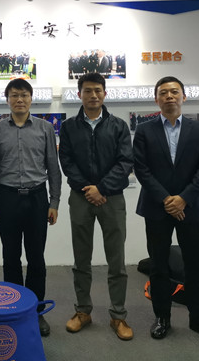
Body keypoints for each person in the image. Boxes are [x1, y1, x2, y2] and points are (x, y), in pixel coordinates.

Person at [133, 76, 199, 344]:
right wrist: (167, 199)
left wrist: (183, 199)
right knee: (159, 266)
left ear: (184, 97)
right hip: (156, 207)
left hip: (191, 207)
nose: (169, 96)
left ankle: (198, 318)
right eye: (163, 93)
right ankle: (162, 317)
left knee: (195, 265)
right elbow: (141, 169)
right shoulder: (144, 130)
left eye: (174, 92)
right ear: (156, 100)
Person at [58, 73, 134, 340]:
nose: (93, 95)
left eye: (98, 90)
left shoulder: (119, 126)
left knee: (117, 260)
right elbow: (66, 161)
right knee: (81, 258)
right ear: (79, 94)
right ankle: (83, 311)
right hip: (81, 198)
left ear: (105, 93)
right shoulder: (69, 127)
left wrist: (102, 188)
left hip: (112, 198)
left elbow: (126, 162)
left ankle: (118, 315)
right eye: (88, 90)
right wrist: (88, 189)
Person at [0, 78, 61, 337]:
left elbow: (53, 167)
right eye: (14, 95)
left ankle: (36, 311)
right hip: (7, 199)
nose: (19, 100)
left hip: (36, 199)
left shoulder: (45, 128)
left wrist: (54, 202)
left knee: (36, 257)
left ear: (31, 99)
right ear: (7, 99)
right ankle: (14, 308)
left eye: (24, 95)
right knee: (10, 257)